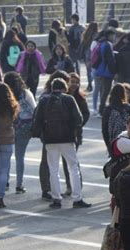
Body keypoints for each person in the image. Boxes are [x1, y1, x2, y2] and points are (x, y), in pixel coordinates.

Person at [32, 78, 91, 209]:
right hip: (67, 138)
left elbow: (37, 120)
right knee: (73, 168)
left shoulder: (44, 100)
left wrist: (39, 134)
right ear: (64, 88)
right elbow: (79, 118)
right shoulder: (69, 99)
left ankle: (56, 199)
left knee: (53, 169)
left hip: (50, 139)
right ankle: (77, 198)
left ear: (52, 88)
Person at [4, 72, 36, 194]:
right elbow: (34, 109)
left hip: (9, 128)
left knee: (6, 155)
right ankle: (19, 184)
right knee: (20, 157)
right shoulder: (26, 93)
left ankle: (5, 181)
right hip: (24, 128)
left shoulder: (5, 94)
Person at [62, 72, 89, 195]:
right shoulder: (63, 96)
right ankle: (70, 185)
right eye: (72, 81)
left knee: (72, 160)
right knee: (66, 161)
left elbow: (86, 114)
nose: (74, 84)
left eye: (76, 82)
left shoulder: (80, 98)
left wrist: (78, 125)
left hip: (75, 134)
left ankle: (77, 185)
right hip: (63, 133)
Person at [101, 84, 130, 150]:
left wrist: (108, 145)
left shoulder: (108, 109)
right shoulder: (129, 108)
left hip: (114, 142)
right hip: (128, 141)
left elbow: (105, 129)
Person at [94, 28, 117, 116]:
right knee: (106, 91)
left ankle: (102, 108)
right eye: (113, 35)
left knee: (103, 90)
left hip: (100, 69)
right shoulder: (108, 44)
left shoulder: (101, 43)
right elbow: (110, 60)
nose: (114, 37)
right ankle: (102, 109)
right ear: (110, 35)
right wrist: (114, 71)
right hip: (107, 71)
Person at [80, 21, 99, 91]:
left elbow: (83, 44)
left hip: (87, 54)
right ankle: (96, 83)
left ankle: (90, 84)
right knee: (96, 68)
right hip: (95, 53)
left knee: (88, 70)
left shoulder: (86, 34)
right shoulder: (97, 35)